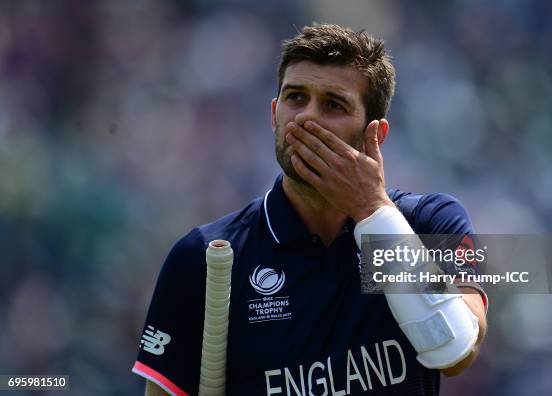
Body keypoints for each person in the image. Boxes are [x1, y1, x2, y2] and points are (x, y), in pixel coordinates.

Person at [132, 23, 488, 396]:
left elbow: (456, 351)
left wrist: (372, 210)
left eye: (333, 104)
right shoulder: (203, 256)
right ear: (274, 114)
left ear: (376, 134)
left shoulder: (431, 221)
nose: (306, 117)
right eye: (296, 97)